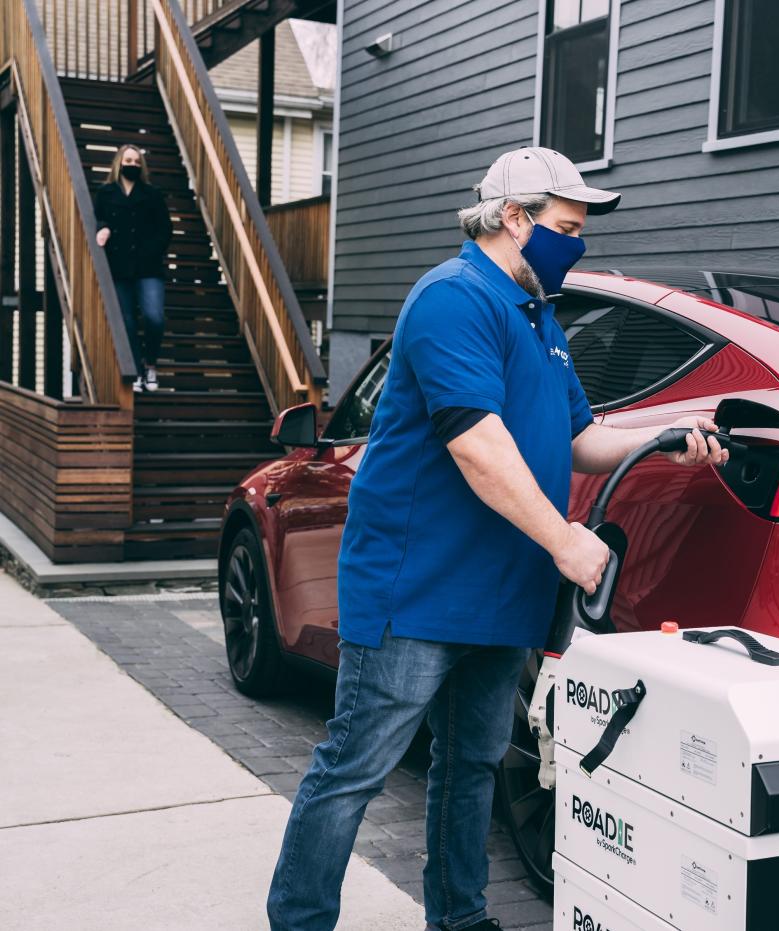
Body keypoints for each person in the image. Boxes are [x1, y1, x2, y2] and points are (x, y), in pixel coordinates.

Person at [266, 146, 728, 931]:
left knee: (471, 765)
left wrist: (669, 432)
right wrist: (567, 542)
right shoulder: (453, 299)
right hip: (417, 587)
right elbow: (476, 443)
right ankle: (301, 919)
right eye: (565, 228)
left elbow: (583, 435)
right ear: (513, 217)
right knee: (355, 767)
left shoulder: (538, 315)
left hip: (497, 592)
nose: (576, 245)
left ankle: (460, 915)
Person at [94, 144, 172, 391]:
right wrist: (103, 227)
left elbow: (165, 229)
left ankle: (150, 364)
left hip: (148, 267)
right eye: (128, 160)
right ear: (119, 162)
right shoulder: (106, 193)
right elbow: (96, 218)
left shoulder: (152, 194)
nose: (133, 165)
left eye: (137, 162)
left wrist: (152, 251)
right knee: (126, 321)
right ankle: (136, 372)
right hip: (119, 268)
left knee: (154, 317)